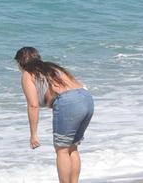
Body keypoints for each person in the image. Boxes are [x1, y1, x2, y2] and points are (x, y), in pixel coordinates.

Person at [15, 47, 94, 183]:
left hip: (68, 102)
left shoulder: (28, 74)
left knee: (62, 150)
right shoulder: (53, 67)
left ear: (20, 62)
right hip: (86, 97)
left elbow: (33, 105)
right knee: (72, 147)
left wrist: (33, 134)